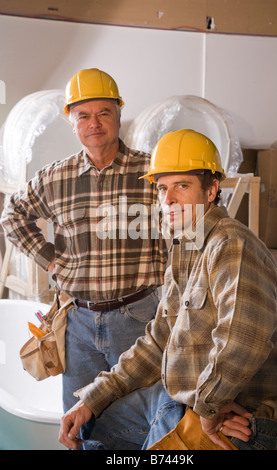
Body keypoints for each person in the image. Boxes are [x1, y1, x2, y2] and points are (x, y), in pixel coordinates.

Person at [58, 129, 277, 451]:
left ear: (211, 190)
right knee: (91, 427)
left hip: (231, 417)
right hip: (178, 399)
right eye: (162, 188)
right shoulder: (186, 245)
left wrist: (208, 406)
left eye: (182, 186)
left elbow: (243, 340)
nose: (168, 200)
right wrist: (93, 396)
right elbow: (159, 340)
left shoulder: (232, 246)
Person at [0, 68, 167, 441]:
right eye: (83, 116)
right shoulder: (55, 178)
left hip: (138, 319)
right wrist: (50, 259)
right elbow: (12, 216)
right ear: (71, 122)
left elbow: (187, 233)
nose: (95, 123)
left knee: (145, 424)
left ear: (119, 114)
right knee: (82, 426)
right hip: (78, 326)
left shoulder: (152, 173)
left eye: (104, 113)